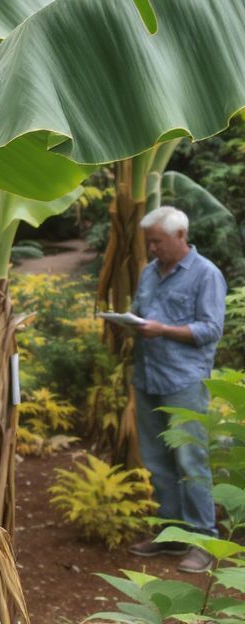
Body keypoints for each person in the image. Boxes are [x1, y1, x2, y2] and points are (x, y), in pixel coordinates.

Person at [127, 205, 226, 573]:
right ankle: (171, 532)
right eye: (149, 242)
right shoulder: (149, 273)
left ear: (180, 236)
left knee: (189, 460)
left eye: (157, 241)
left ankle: (202, 539)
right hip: (148, 377)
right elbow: (141, 312)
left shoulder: (206, 275)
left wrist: (162, 330)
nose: (152, 248)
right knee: (156, 462)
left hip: (183, 382)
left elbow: (210, 329)